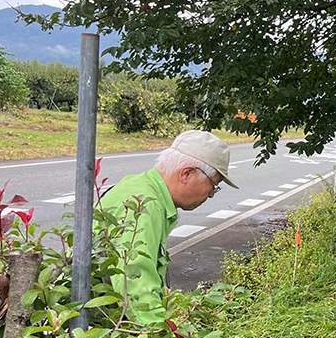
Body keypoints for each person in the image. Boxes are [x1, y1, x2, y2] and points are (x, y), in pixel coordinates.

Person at [99, 130, 237, 325]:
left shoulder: (141, 186)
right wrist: (163, 335)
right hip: (93, 327)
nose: (212, 194)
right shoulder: (145, 204)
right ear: (187, 174)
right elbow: (134, 285)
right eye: (213, 185)